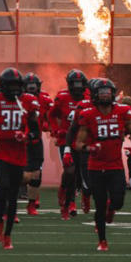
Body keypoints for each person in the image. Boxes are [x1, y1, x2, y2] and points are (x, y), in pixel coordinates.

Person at [0, 68, 39, 249]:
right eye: (10, 85)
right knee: (3, 189)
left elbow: (35, 131)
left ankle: (8, 235)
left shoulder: (27, 101)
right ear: (3, 85)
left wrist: (26, 137)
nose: (14, 89)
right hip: (0, 152)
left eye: (17, 85)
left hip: (18, 153)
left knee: (13, 195)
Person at [74, 78, 131, 251]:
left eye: (107, 92)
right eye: (101, 93)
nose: (105, 95)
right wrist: (89, 148)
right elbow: (78, 144)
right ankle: (102, 240)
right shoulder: (88, 114)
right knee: (100, 205)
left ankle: (112, 209)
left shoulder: (122, 111)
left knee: (118, 201)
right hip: (96, 166)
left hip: (115, 165)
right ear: (95, 95)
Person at [49, 69, 88, 219]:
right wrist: (56, 130)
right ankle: (70, 200)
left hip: (83, 140)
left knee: (82, 171)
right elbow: (51, 115)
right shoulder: (62, 97)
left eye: (80, 84)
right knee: (70, 171)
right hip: (67, 139)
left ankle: (82, 196)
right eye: (75, 84)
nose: (78, 87)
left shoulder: (90, 97)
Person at [23, 72, 53, 215]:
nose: (31, 89)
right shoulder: (16, 100)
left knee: (36, 173)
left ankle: (32, 203)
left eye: (33, 86)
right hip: (19, 141)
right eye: (29, 86)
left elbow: (52, 116)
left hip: (35, 139)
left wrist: (51, 127)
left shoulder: (45, 99)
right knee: (22, 174)